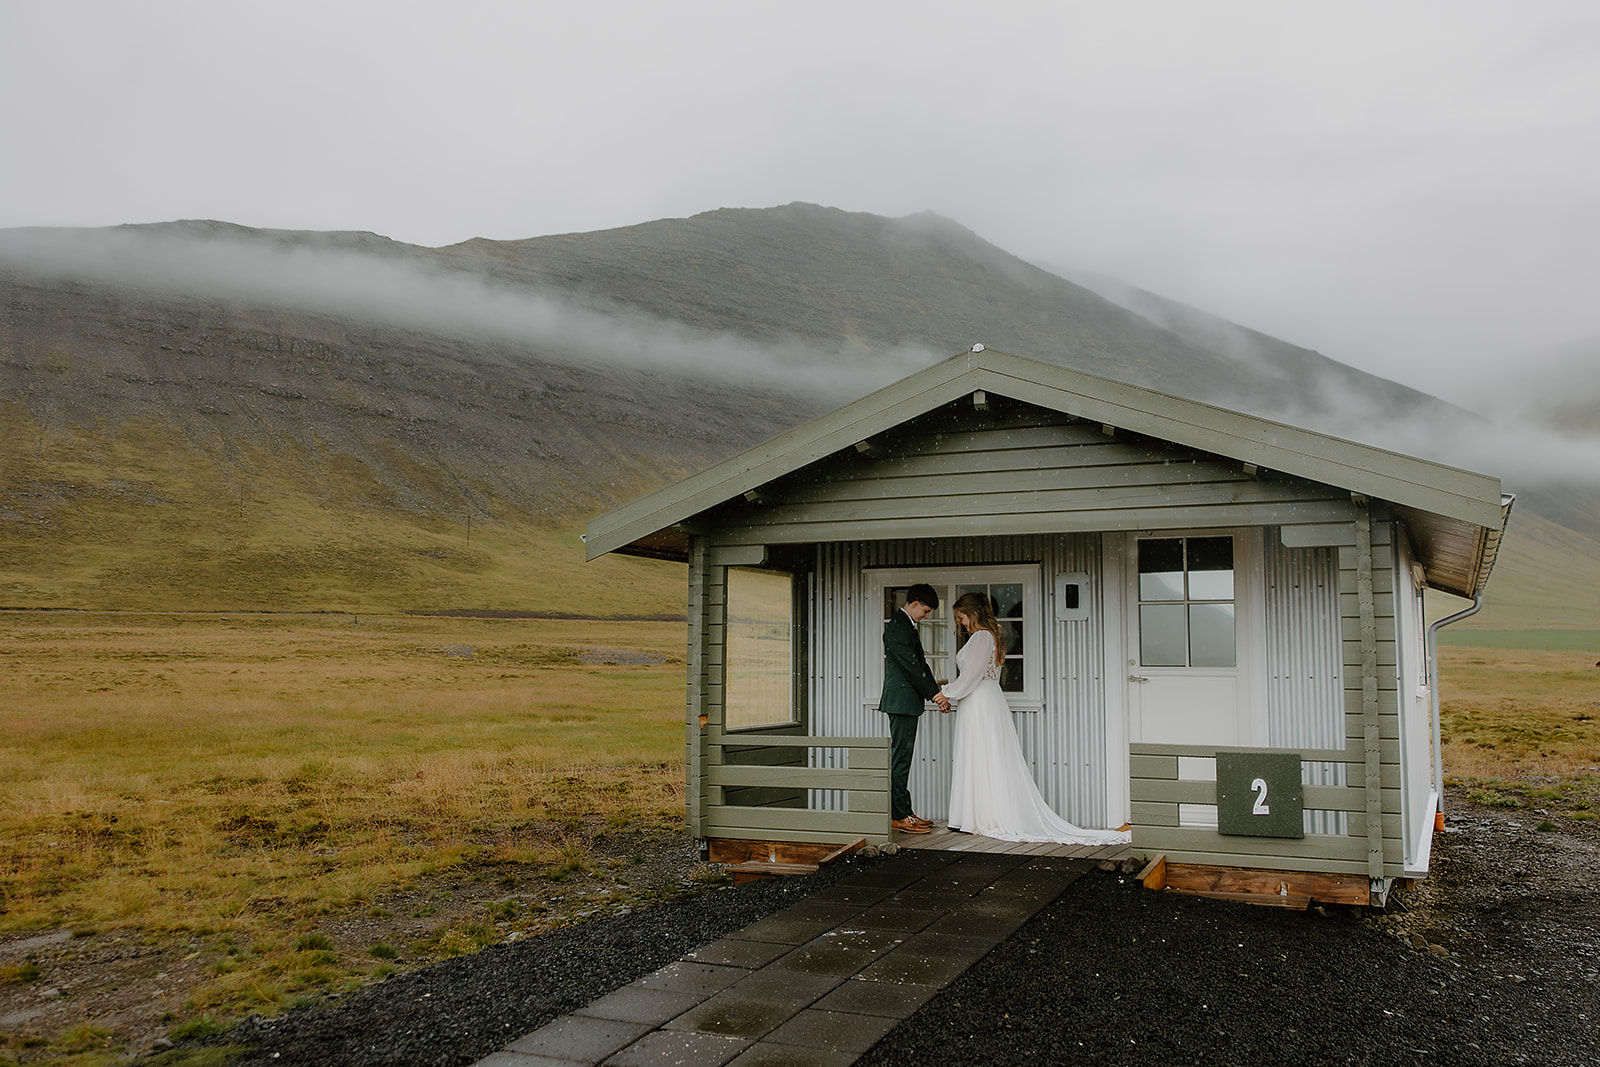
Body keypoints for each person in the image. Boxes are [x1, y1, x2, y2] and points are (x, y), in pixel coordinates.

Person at [939, 592, 1131, 845]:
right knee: (981, 755)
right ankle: (974, 815)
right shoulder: (987, 636)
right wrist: (952, 693)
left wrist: (946, 693)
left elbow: (972, 675)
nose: (961, 623)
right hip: (980, 700)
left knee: (982, 754)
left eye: (961, 617)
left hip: (980, 701)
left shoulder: (982, 637)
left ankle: (979, 815)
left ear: (974, 613)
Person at [880, 583, 949, 834]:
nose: (927, 616)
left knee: (903, 759)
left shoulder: (906, 625)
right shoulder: (898, 627)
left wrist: (935, 692)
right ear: (915, 603)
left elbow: (920, 665)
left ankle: (905, 811)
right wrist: (935, 695)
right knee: (901, 759)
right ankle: (899, 816)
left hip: (906, 702)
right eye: (926, 611)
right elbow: (912, 667)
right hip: (902, 703)